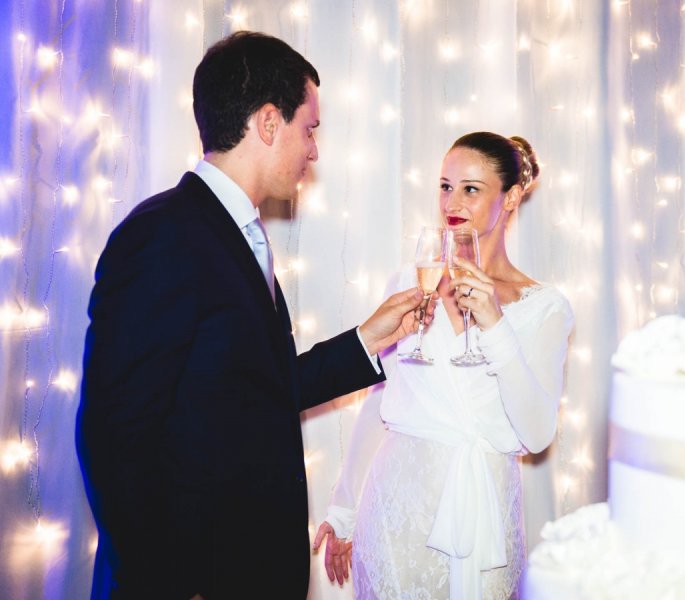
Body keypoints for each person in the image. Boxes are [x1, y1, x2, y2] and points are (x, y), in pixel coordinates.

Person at [75, 31, 432, 600]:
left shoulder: (240, 233)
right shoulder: (163, 235)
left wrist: (367, 339)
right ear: (269, 122)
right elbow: (112, 437)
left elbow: (259, 388)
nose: (313, 150)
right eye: (308, 128)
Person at [314, 132, 575, 599]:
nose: (452, 202)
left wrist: (496, 324)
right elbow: (382, 399)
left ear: (511, 197)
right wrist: (344, 508)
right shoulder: (414, 283)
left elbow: (536, 436)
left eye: (471, 189)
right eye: (445, 186)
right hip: (395, 510)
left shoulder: (546, 308)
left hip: (483, 515)